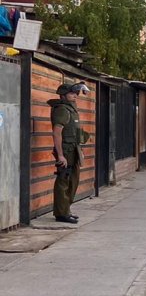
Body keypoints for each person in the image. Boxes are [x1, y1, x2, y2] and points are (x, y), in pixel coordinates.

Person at [48, 82, 88, 224]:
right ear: (63, 95)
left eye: (76, 93)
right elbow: (56, 133)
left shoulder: (71, 109)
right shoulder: (62, 109)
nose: (75, 95)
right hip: (65, 151)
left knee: (73, 181)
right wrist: (60, 155)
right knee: (63, 181)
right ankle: (61, 213)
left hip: (74, 149)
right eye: (72, 93)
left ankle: (66, 209)